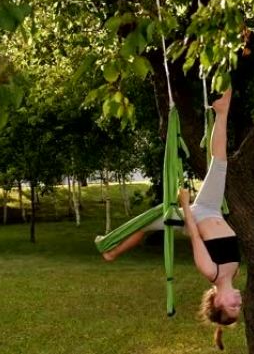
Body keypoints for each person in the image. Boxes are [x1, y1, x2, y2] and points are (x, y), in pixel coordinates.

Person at [102, 89, 241, 349]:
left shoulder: (211, 271)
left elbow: (196, 235)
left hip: (195, 215)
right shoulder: (234, 270)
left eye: (233, 306)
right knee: (219, 163)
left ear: (218, 301)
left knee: (147, 223)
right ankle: (222, 112)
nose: (238, 302)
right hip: (212, 209)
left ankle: (112, 252)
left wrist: (186, 205)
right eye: (238, 307)